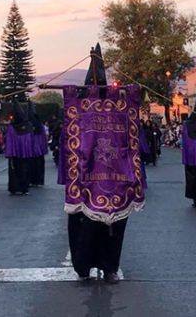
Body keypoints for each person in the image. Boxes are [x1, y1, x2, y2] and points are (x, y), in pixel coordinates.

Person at [60, 43, 146, 284]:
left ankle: (110, 267)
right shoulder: (77, 112)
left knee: (113, 229)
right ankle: (84, 267)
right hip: (86, 179)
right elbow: (69, 147)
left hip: (114, 178)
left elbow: (132, 141)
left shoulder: (120, 110)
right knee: (84, 229)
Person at [5, 101, 34, 195]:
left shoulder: (11, 127)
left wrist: (10, 153)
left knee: (14, 172)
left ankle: (14, 188)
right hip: (25, 155)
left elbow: (9, 142)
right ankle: (24, 188)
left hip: (15, 155)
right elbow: (31, 141)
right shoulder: (28, 126)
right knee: (25, 170)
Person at [28, 101, 48, 187]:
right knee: (38, 166)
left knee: (31, 167)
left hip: (31, 151)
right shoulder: (41, 126)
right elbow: (44, 139)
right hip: (39, 151)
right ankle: (38, 181)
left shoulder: (29, 125)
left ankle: (32, 180)